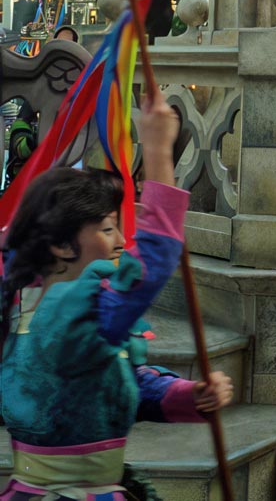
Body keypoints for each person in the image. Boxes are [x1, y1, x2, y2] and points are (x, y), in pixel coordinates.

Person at [0, 94, 233, 500]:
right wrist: (160, 151)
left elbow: (109, 382)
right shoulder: (74, 312)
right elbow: (152, 263)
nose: (121, 241)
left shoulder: (31, 304)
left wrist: (186, 395)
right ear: (60, 243)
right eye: (107, 228)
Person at [4, 100, 37, 188]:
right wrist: (36, 139)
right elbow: (22, 151)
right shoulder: (21, 126)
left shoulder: (25, 126)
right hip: (20, 175)